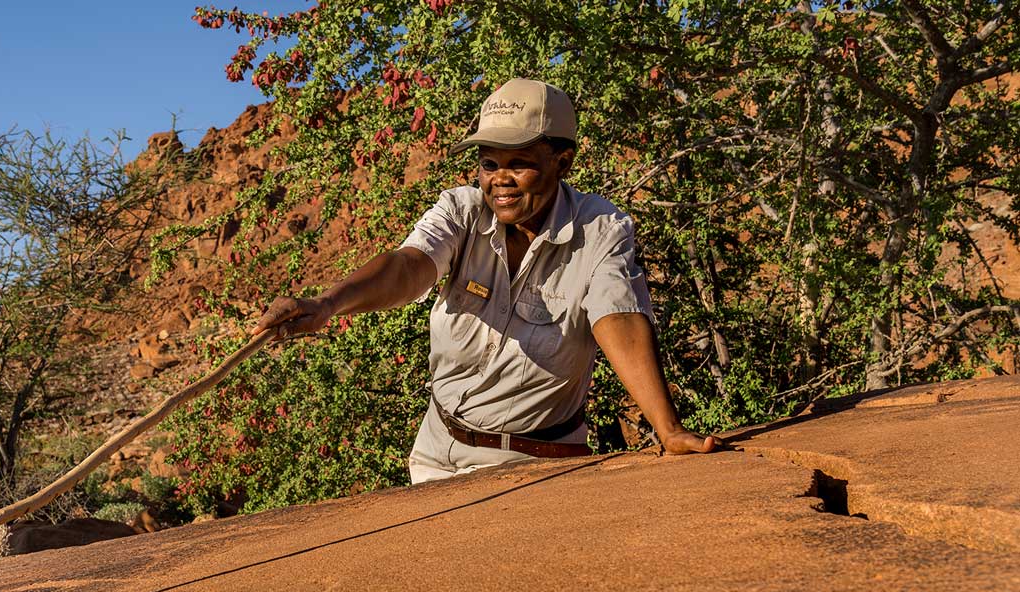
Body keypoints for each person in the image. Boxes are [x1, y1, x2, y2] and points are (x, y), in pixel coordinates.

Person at [252, 78, 721, 483]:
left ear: (563, 161)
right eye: (489, 164)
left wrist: (667, 429)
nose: (500, 180)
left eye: (519, 163)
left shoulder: (600, 230)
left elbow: (616, 315)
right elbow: (408, 266)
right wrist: (328, 304)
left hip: (537, 464)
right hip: (436, 455)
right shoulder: (461, 211)